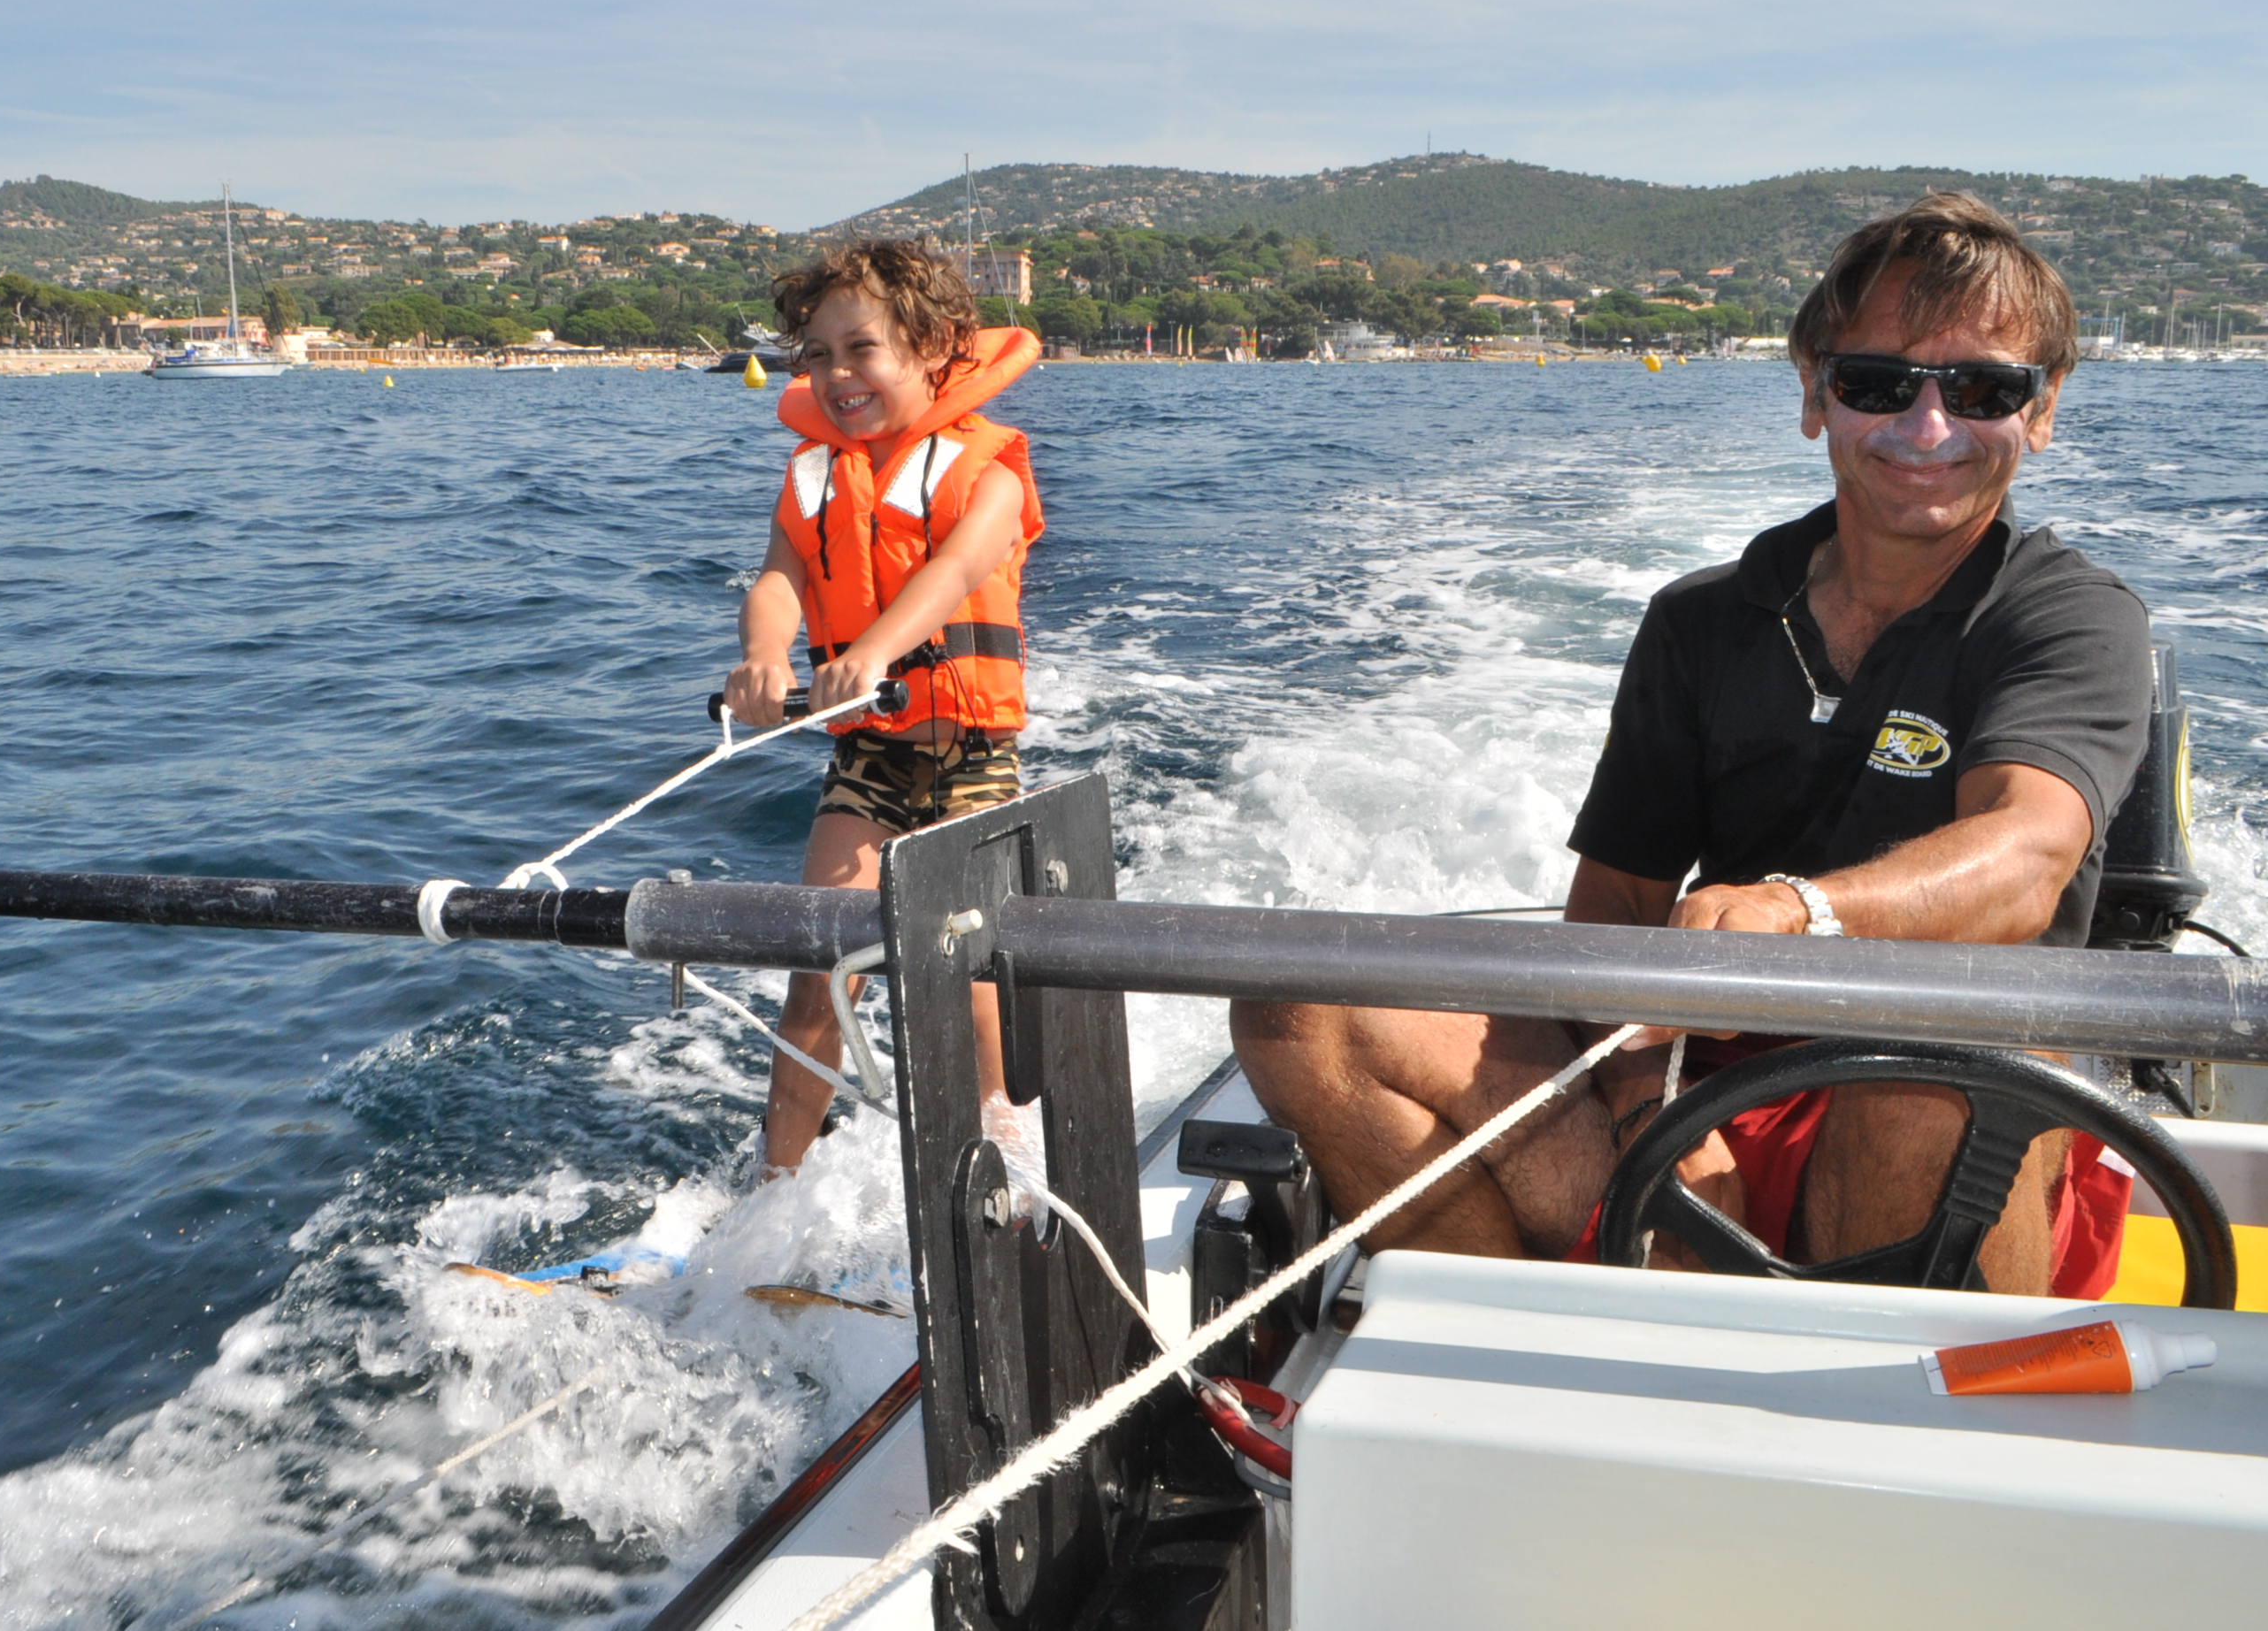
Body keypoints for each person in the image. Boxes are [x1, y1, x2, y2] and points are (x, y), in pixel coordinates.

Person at [1234, 192, 2150, 1295]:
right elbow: (1616, 909)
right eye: (1877, 383)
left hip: (1938, 1109)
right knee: (1307, 1008)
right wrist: (1650, 1110)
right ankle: (1514, 1372)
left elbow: (2024, 859)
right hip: (1696, 1079)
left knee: (1931, 1071)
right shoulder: (1703, 623)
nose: (1928, 429)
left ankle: (1896, 1434)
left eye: (1983, 390)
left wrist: (1796, 912)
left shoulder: (2071, 619)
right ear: (1816, 392)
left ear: (2042, 410)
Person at [720, 239, 1046, 1175]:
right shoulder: (813, 478)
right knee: (816, 979)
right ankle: (774, 1196)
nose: (835, 375)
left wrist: (870, 650)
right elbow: (779, 583)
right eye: (815, 357)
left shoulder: (987, 472)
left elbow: (952, 573)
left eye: (860, 349)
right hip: (868, 757)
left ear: (937, 346)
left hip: (971, 758)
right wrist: (763, 655)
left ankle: (1019, 1182)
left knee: (975, 984)